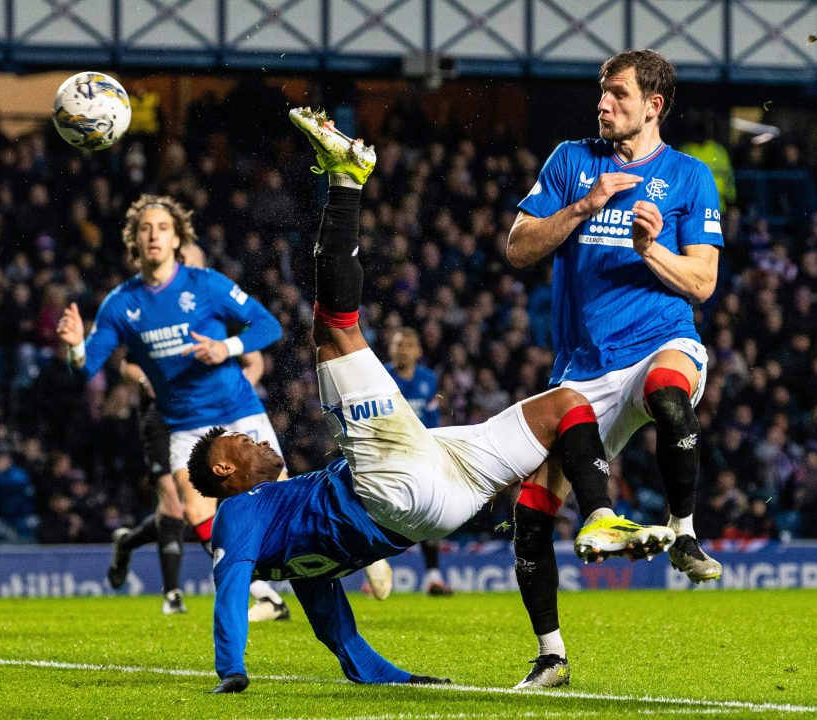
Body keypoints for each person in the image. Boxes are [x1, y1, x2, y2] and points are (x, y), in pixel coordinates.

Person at [192, 107, 674, 694]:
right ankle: (345, 181)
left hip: (436, 495)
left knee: (563, 402)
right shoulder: (242, 512)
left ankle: (600, 515)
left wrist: (393, 678)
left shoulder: (290, 544)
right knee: (333, 329)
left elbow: (335, 628)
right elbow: (232, 583)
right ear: (224, 470)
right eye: (240, 442)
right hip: (391, 487)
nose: (255, 439)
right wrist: (231, 669)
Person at [504, 49, 724, 686]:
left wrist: (650, 249)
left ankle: (682, 532)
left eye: (619, 96)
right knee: (533, 513)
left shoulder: (689, 177)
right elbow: (518, 248)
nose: (604, 105)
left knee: (669, 394)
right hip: (583, 369)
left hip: (660, 344)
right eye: (602, 93)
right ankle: (551, 656)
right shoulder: (572, 162)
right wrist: (582, 208)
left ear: (653, 106)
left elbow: (702, 283)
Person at [57, 195, 290, 618]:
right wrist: (74, 348)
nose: (153, 236)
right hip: (185, 423)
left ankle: (335, 561)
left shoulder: (206, 284)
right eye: (145, 229)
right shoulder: (119, 304)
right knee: (196, 508)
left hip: (237, 409)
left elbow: (268, 324)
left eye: (162, 227)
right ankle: (264, 595)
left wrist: (227, 347)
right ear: (133, 240)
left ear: (177, 237)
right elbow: (85, 367)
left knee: (278, 499)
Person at [107, 241, 276, 617]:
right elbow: (126, 364)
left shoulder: (211, 305)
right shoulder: (150, 308)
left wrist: (236, 384)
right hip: (164, 418)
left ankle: (129, 544)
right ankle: (175, 593)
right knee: (175, 501)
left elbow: (255, 358)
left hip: (217, 415)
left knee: (197, 505)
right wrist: (144, 379)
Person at [364, 327, 452, 598]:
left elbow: (432, 417)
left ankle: (433, 577)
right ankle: (375, 573)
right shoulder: (381, 376)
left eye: (410, 344)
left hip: (420, 454)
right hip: (389, 454)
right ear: (390, 349)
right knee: (383, 511)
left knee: (427, 510)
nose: (403, 349)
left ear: (419, 351)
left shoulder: (428, 378)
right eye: (398, 344)